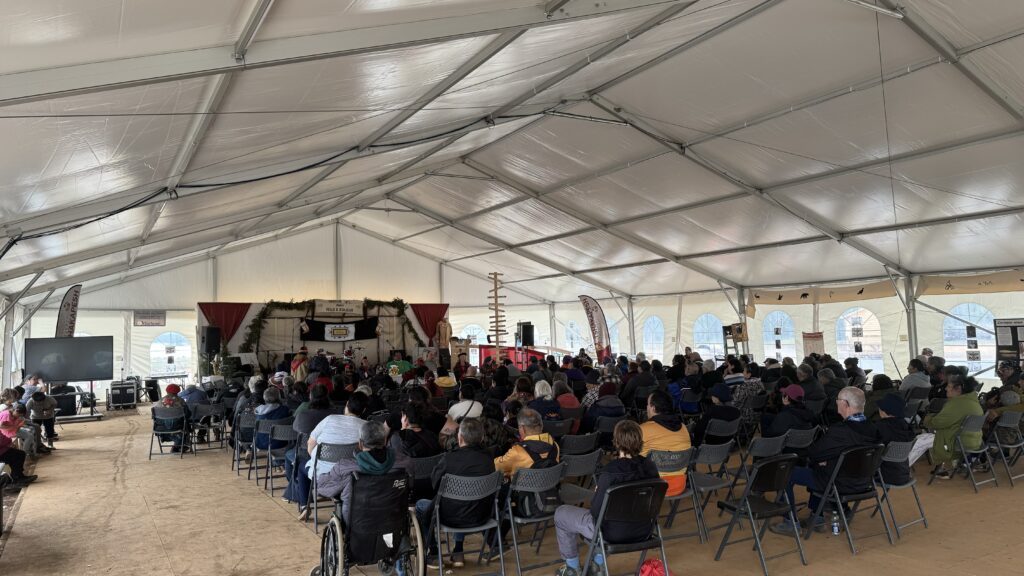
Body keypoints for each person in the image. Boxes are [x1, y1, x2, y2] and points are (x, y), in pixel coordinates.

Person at [553, 420, 660, 576]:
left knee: (561, 514)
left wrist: (598, 493)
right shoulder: (651, 467)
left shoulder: (610, 471)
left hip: (611, 533)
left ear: (616, 442)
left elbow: (596, 511)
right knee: (612, 518)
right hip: (643, 530)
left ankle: (572, 569)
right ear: (640, 441)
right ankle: (597, 566)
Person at [772, 387, 879, 534]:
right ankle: (817, 518)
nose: (836, 404)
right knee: (818, 467)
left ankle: (791, 523)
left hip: (838, 482)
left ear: (845, 404)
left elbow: (814, 452)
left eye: (837, 401)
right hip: (863, 482)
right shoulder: (874, 429)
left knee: (785, 472)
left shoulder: (840, 431)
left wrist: (824, 460)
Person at [415, 418, 496, 569]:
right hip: (481, 515)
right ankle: (458, 550)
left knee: (421, 505)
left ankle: (433, 553)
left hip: (450, 517)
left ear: (460, 438)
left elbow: (435, 484)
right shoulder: (488, 459)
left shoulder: (448, 459)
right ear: (482, 438)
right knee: (462, 501)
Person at [316, 420, 411, 526]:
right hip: (392, 520)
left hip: (357, 522)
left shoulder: (345, 467)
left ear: (360, 444)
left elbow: (323, 487)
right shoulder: (404, 463)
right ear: (384, 441)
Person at [283, 384, 337, 504]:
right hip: (335, 455)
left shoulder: (304, 415)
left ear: (311, 397)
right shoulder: (335, 414)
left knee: (289, 456)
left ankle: (297, 492)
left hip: (307, 454)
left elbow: (295, 429)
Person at [924, 375, 983, 479]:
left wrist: (928, 418)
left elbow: (938, 423)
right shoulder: (973, 401)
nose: (946, 388)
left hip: (957, 444)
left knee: (923, 437)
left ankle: (939, 468)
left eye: (949, 386)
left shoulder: (957, 404)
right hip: (975, 442)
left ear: (958, 389)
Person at [305, 392, 369, 485]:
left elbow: (310, 443)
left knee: (301, 468)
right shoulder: (366, 426)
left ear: (347, 404)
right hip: (351, 474)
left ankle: (306, 498)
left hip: (322, 473)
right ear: (364, 410)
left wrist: (315, 458)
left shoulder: (330, 419)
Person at [640, 390, 691, 496]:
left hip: (653, 487)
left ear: (653, 408)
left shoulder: (644, 429)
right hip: (679, 485)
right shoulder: (684, 428)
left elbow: (633, 456)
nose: (647, 408)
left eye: (648, 404)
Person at [493, 408, 559, 478]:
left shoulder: (517, 451)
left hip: (522, 488)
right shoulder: (555, 446)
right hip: (549, 486)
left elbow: (496, 467)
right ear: (541, 426)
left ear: (522, 428)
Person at [875, 395, 915, 486]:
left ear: (885, 411)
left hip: (883, 475)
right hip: (903, 474)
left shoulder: (880, 427)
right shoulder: (907, 427)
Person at [153, 383, 190, 453]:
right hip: (177, 427)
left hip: (161, 428)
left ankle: (177, 445)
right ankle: (179, 446)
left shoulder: (160, 401)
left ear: (167, 391)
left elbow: (155, 417)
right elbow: (187, 414)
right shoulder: (181, 401)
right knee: (186, 424)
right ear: (178, 392)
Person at [0, 419, 37, 486]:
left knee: (19, 454)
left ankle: (19, 476)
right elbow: (1, 440)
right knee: (18, 455)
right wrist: (9, 443)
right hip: (1, 451)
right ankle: (17, 479)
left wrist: (8, 443)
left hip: (2, 449)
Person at [732, 362, 765, 430]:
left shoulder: (743, 386)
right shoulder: (761, 384)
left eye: (744, 371)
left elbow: (735, 403)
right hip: (757, 415)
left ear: (749, 374)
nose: (742, 372)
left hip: (744, 415)